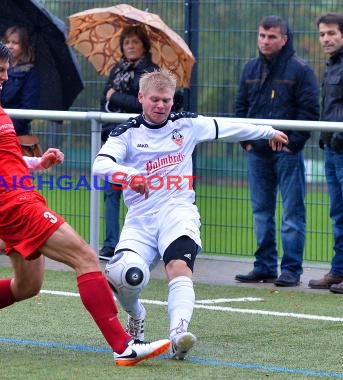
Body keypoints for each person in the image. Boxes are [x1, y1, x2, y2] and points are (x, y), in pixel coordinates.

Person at [0, 32, 171, 366]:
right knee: (85, 256)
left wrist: (37, 163)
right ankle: (124, 346)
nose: (6, 77)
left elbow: (2, 160)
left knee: (26, 286)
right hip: (14, 205)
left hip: (18, 200)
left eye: (7, 70)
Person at [92, 69, 289, 360]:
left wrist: (268, 132)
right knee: (126, 277)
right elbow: (100, 165)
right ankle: (136, 313)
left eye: (167, 100)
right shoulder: (127, 133)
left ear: (173, 101)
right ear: (141, 98)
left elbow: (230, 127)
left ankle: (177, 335)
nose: (160, 106)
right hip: (140, 220)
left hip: (178, 211)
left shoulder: (187, 125)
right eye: (155, 100)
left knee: (179, 268)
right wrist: (128, 174)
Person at [233, 15, 320, 287]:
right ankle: (265, 266)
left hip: (288, 154)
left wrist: (291, 143)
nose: (265, 41)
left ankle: (291, 269)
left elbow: (309, 112)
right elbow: (240, 108)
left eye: (271, 36)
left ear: (284, 39)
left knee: (292, 213)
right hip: (256, 153)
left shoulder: (300, 70)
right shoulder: (250, 69)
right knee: (261, 212)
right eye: (262, 35)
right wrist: (246, 142)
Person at [98, 25, 159, 262]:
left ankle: (147, 243)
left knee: (143, 194)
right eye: (126, 43)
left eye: (135, 42)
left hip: (141, 141)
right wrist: (113, 98)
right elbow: (103, 96)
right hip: (114, 138)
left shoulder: (151, 72)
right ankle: (111, 244)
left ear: (144, 45)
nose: (130, 47)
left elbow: (143, 104)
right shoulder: (116, 69)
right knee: (111, 192)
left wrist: (116, 97)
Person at [308, 13, 343, 294]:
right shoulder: (332, 65)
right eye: (322, 34)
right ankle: (340, 271)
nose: (326, 39)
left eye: (331, 33)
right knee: (338, 214)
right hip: (332, 148)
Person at [0, 25, 40, 137]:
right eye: (7, 42)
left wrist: (4, 128)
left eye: (15, 43)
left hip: (15, 133)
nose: (9, 46)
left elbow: (27, 111)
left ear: (23, 46)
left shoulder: (31, 74)